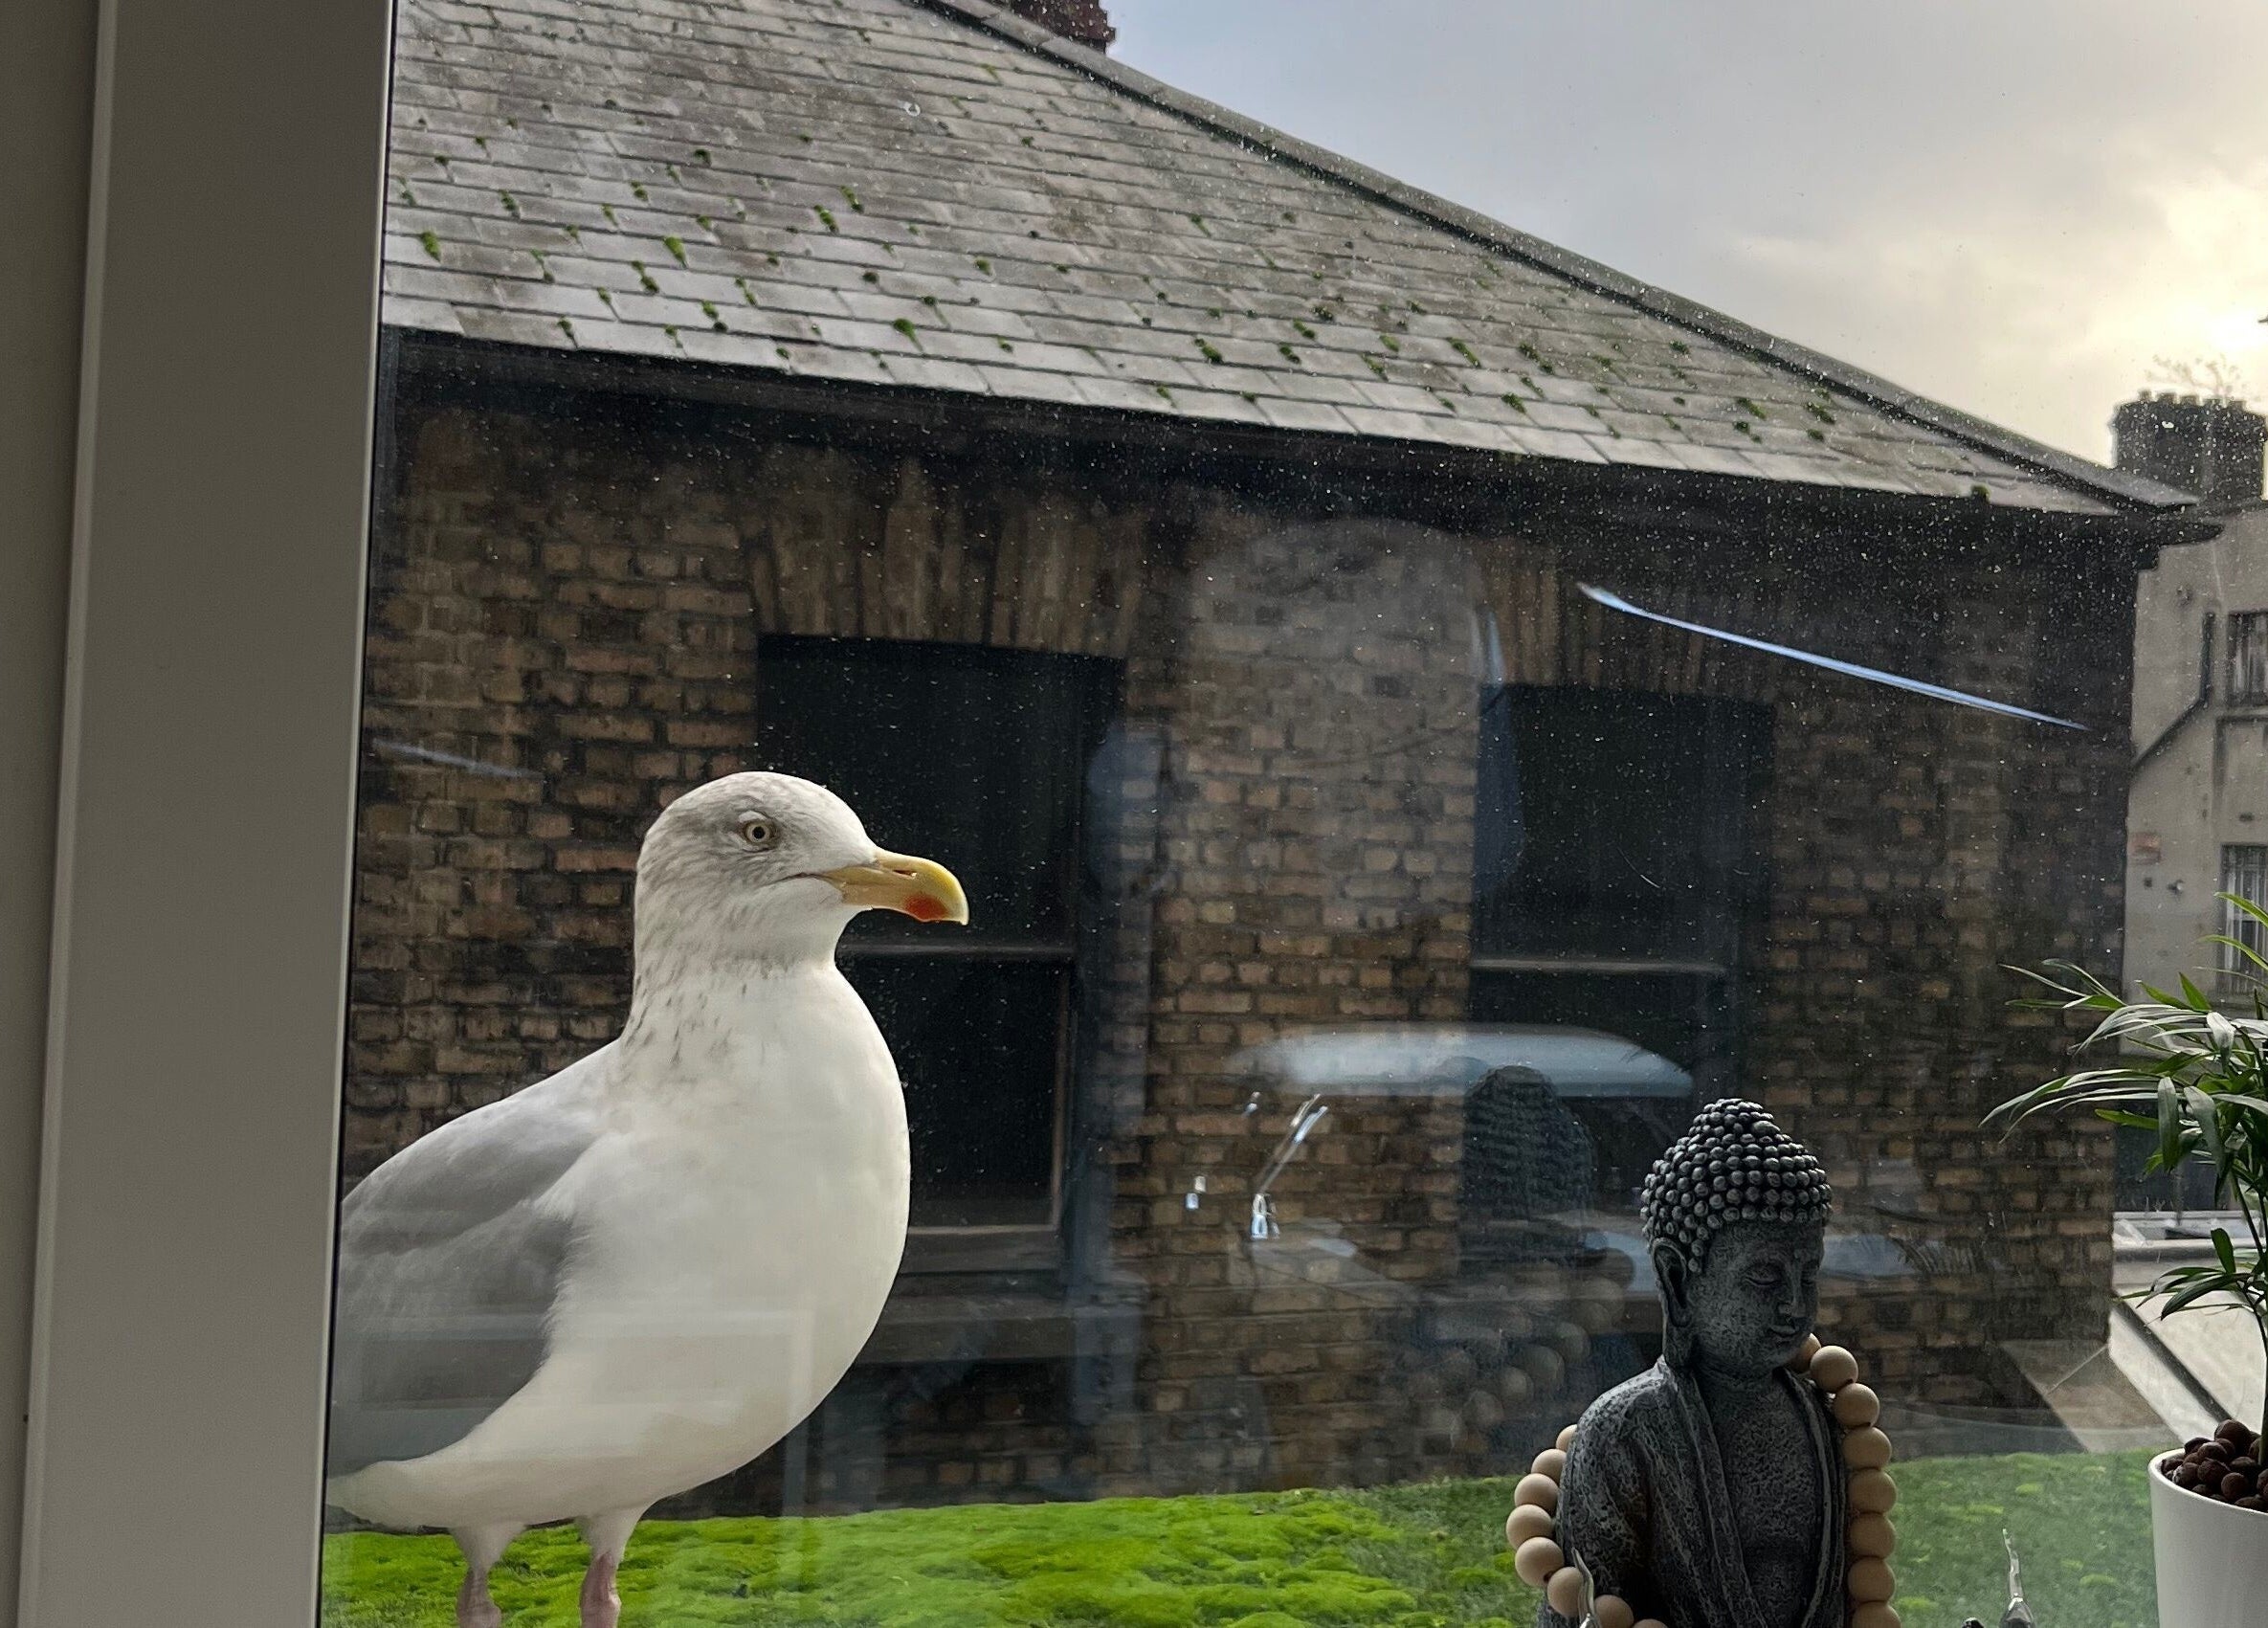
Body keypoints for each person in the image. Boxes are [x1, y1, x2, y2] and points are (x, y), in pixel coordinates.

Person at [1540, 1099, 1845, 1628]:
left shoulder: (1821, 1417)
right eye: (1764, 1278)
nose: (1795, 1304)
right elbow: (1583, 1609)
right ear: (1677, 1280)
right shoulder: (1624, 1429)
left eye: (1809, 1275)